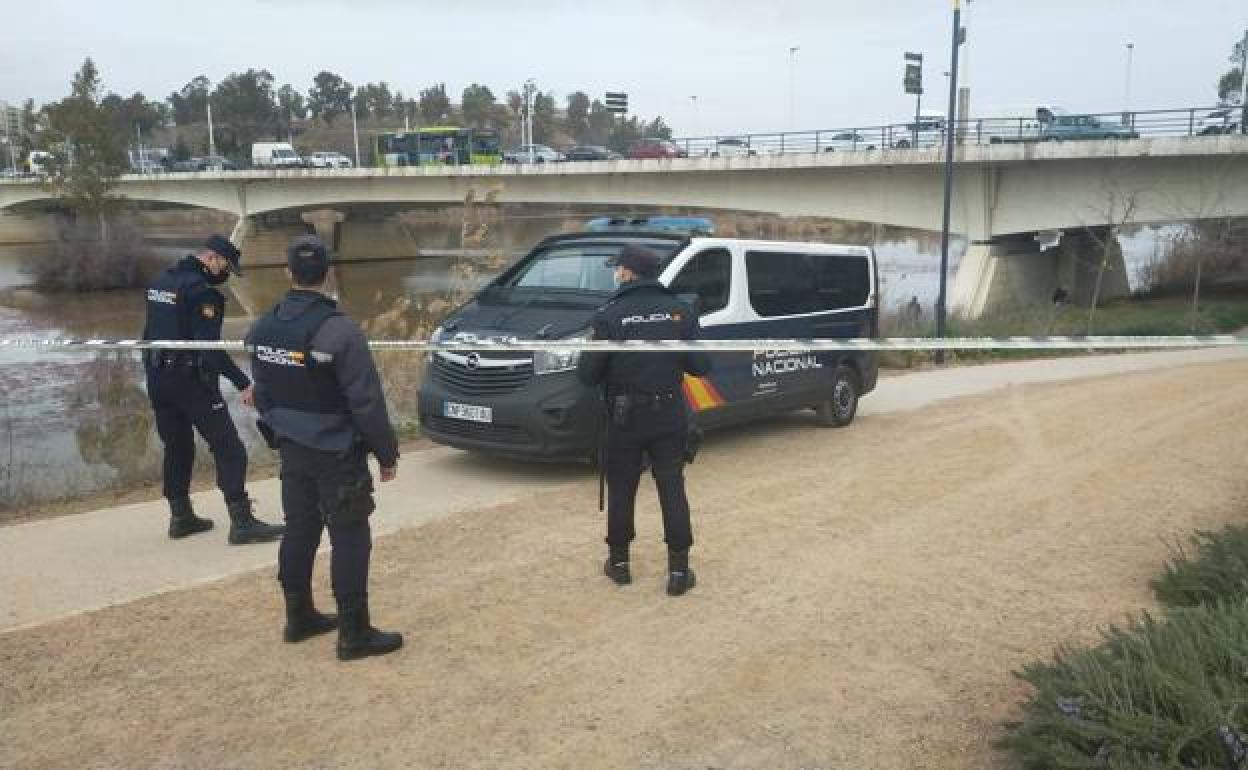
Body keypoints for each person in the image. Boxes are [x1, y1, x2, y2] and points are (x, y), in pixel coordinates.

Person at [247, 235, 403, 660]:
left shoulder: (263, 326)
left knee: (300, 527)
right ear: (330, 274)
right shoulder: (340, 331)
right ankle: (354, 633)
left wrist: (276, 421)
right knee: (350, 534)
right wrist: (386, 454)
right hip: (337, 452)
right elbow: (366, 402)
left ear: (287, 274)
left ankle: (298, 616)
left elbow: (262, 392)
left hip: (292, 448)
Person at [577, 244, 712, 597]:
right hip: (668, 415)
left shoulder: (609, 315)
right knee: (672, 487)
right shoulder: (679, 312)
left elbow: (587, 375)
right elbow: (701, 367)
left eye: (617, 268)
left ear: (628, 273)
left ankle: (619, 566)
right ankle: (679, 573)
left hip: (625, 419)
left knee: (622, 488)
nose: (615, 273)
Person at [141, 234, 285, 545]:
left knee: (177, 448)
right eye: (226, 268)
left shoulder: (160, 282)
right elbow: (209, 350)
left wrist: (154, 374)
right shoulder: (202, 293)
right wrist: (243, 381)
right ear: (213, 259)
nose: (225, 276)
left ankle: (181, 518)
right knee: (230, 448)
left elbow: (147, 335)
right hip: (191, 382)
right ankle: (242, 522)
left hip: (157, 378)